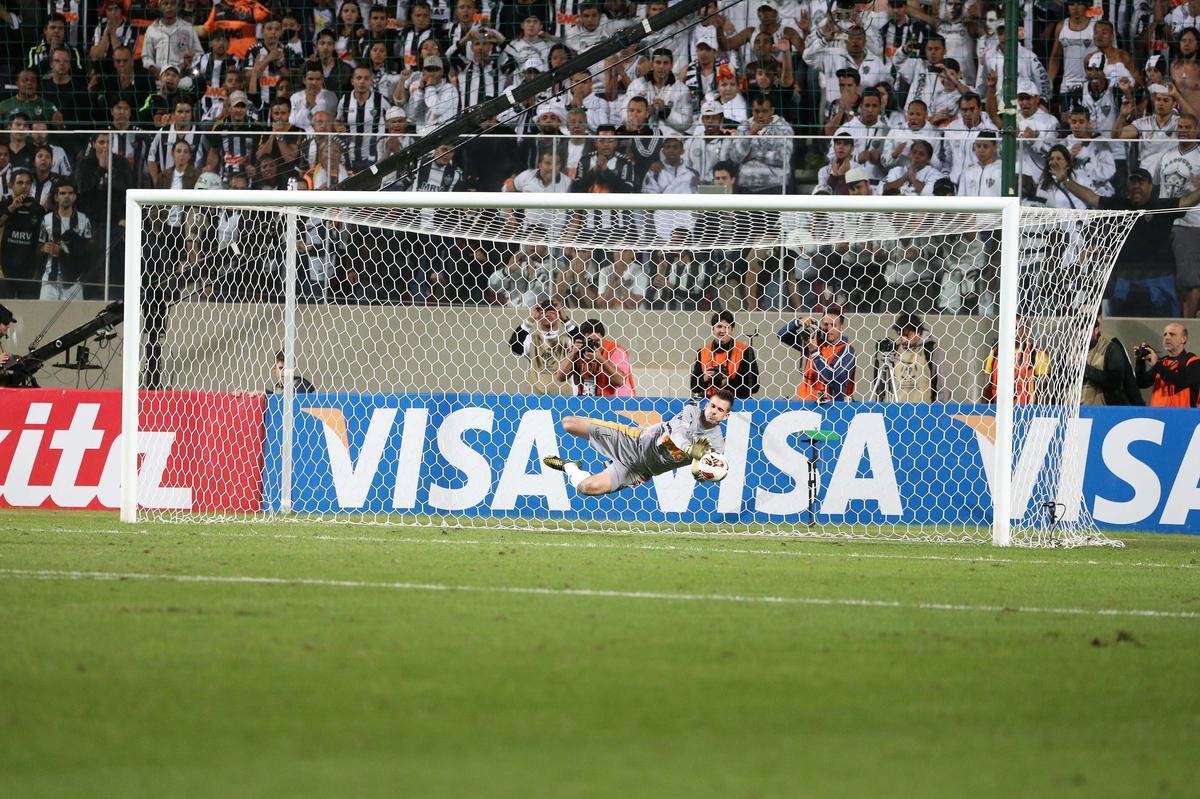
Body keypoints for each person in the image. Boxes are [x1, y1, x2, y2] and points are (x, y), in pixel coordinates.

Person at [1054, 165, 1200, 317]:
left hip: (1159, 279)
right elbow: (1090, 197)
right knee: (1115, 328)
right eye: (1133, 182)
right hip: (1124, 279)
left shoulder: (1161, 206)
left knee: (1165, 327)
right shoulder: (1118, 205)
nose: (1136, 186)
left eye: (1141, 182)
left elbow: (1188, 201)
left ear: (1150, 186)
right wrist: (1065, 180)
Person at [542, 388, 734, 496]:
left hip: (639, 470)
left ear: (726, 416)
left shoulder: (716, 445)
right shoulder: (691, 411)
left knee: (586, 488)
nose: (713, 411)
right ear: (707, 404)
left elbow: (698, 473)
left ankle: (570, 467)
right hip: (630, 441)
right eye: (712, 405)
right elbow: (676, 435)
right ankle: (603, 459)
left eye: (720, 410)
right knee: (568, 423)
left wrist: (706, 474)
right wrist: (691, 450)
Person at [780, 311, 857, 402]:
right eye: (826, 324)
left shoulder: (847, 351)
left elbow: (830, 377)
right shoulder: (814, 341)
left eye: (833, 325)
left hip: (832, 408)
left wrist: (815, 352)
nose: (829, 328)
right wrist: (798, 322)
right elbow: (782, 335)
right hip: (805, 404)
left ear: (841, 328)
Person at [509, 295, 576, 394]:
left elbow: (582, 342)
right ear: (539, 316)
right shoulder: (531, 340)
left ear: (558, 315)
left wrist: (565, 320)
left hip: (565, 399)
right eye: (544, 312)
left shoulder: (567, 340)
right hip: (536, 398)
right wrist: (530, 320)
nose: (548, 314)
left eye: (552, 312)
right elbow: (515, 347)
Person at [872, 313, 945, 403]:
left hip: (925, 411)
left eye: (907, 335)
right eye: (900, 335)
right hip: (898, 410)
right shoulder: (895, 351)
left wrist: (938, 411)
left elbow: (943, 386)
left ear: (918, 332)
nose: (903, 339)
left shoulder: (931, 350)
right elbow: (885, 386)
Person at [554, 318, 635, 397]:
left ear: (603, 338)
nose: (593, 345)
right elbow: (560, 377)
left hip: (618, 401)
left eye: (597, 341)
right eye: (589, 341)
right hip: (589, 399)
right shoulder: (578, 351)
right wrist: (572, 354)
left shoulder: (616, 350)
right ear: (582, 340)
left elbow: (620, 382)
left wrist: (600, 359)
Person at [690, 310, 760, 399]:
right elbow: (693, 387)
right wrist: (704, 378)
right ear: (713, 329)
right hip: (709, 403)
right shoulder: (702, 352)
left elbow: (754, 387)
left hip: (737, 404)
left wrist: (728, 382)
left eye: (726, 327)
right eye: (719, 326)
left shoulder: (745, 351)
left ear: (732, 330)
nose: (722, 331)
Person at [981, 321, 1049, 404]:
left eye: (1015, 328)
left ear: (1026, 331)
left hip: (1026, 410)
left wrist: (1041, 415)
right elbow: (987, 386)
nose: (1010, 331)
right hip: (998, 409)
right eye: (1007, 327)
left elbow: (1043, 391)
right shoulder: (995, 352)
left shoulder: (1038, 354)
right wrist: (982, 412)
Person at [1134, 323, 1200, 408]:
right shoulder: (1162, 362)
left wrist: (1157, 365)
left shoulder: (1193, 361)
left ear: (1183, 339)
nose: (1167, 337)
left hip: (1183, 417)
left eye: (1172, 334)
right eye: (1165, 334)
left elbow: (1181, 381)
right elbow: (1141, 383)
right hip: (1159, 417)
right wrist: (1140, 362)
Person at [1081, 316, 1143, 406]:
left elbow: (1116, 381)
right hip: (1072, 410)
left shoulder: (1111, 347)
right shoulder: (1068, 351)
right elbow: (1058, 379)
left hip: (1103, 410)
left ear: (1096, 330)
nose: (1081, 333)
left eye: (1085, 329)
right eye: (1078, 329)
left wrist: (1086, 370)